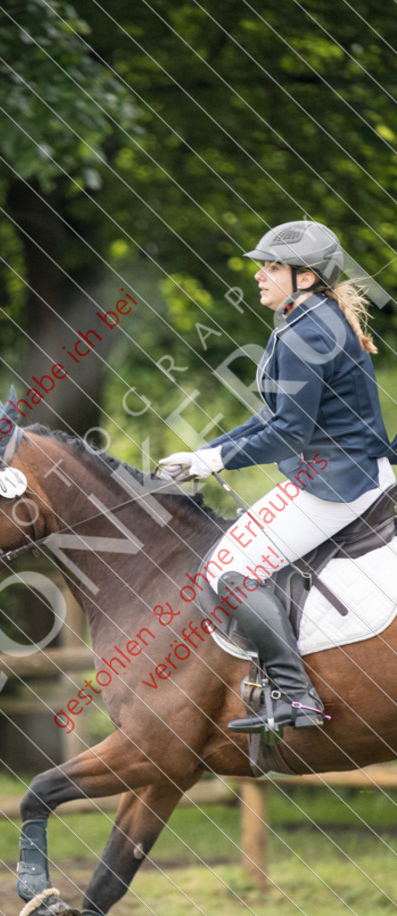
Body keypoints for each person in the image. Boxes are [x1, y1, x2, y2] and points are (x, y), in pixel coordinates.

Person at [158, 220, 396, 735]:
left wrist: (217, 462)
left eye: (271, 267)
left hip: (336, 483)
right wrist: (209, 452)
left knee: (226, 568)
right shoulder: (306, 317)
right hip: (339, 471)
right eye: (262, 266)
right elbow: (273, 416)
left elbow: (288, 434)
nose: (259, 277)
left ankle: (297, 695)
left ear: (305, 277)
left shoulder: (307, 329)